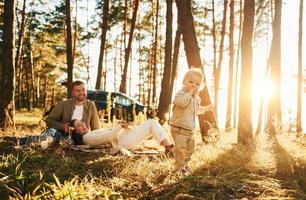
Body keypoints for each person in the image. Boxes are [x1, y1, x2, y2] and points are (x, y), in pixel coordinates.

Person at [18, 80, 100, 145]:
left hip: (76, 137)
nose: (81, 93)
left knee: (65, 143)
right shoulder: (63, 104)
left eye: (83, 90)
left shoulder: (91, 106)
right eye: (78, 91)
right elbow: (49, 120)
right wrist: (63, 126)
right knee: (47, 137)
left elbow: (96, 129)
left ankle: (46, 144)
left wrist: (96, 140)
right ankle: (18, 140)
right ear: (72, 93)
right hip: (58, 131)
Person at [170, 68, 213, 175]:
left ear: (201, 86)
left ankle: (185, 165)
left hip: (190, 130)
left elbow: (197, 111)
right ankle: (179, 167)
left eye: (197, 84)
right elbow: (181, 103)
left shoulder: (197, 99)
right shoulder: (181, 93)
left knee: (190, 149)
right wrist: (189, 93)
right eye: (191, 82)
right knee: (180, 149)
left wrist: (207, 108)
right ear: (184, 82)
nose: (194, 85)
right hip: (178, 128)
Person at [69, 119, 174, 153]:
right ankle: (169, 147)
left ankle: (168, 146)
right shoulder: (86, 138)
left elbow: (110, 134)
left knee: (151, 123)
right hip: (123, 143)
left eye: (82, 122)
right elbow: (108, 138)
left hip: (123, 138)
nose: (83, 124)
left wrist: (124, 129)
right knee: (152, 123)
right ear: (75, 132)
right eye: (79, 125)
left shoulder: (89, 133)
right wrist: (120, 126)